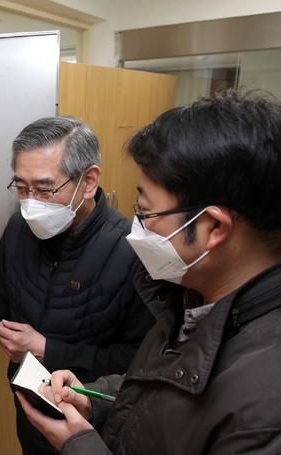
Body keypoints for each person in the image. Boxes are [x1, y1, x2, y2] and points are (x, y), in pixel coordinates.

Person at [17, 91, 281, 454]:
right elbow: (163, 393)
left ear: (213, 228)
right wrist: (95, 399)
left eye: (146, 213)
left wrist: (79, 446)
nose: (137, 228)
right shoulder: (189, 303)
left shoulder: (265, 406)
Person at [0, 116, 154, 454]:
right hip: (31, 408)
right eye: (21, 188)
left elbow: (140, 362)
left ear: (88, 182)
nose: (31, 203)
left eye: (45, 189)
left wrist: (49, 349)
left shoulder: (131, 252)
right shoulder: (20, 226)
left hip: (92, 429)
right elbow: (4, 298)